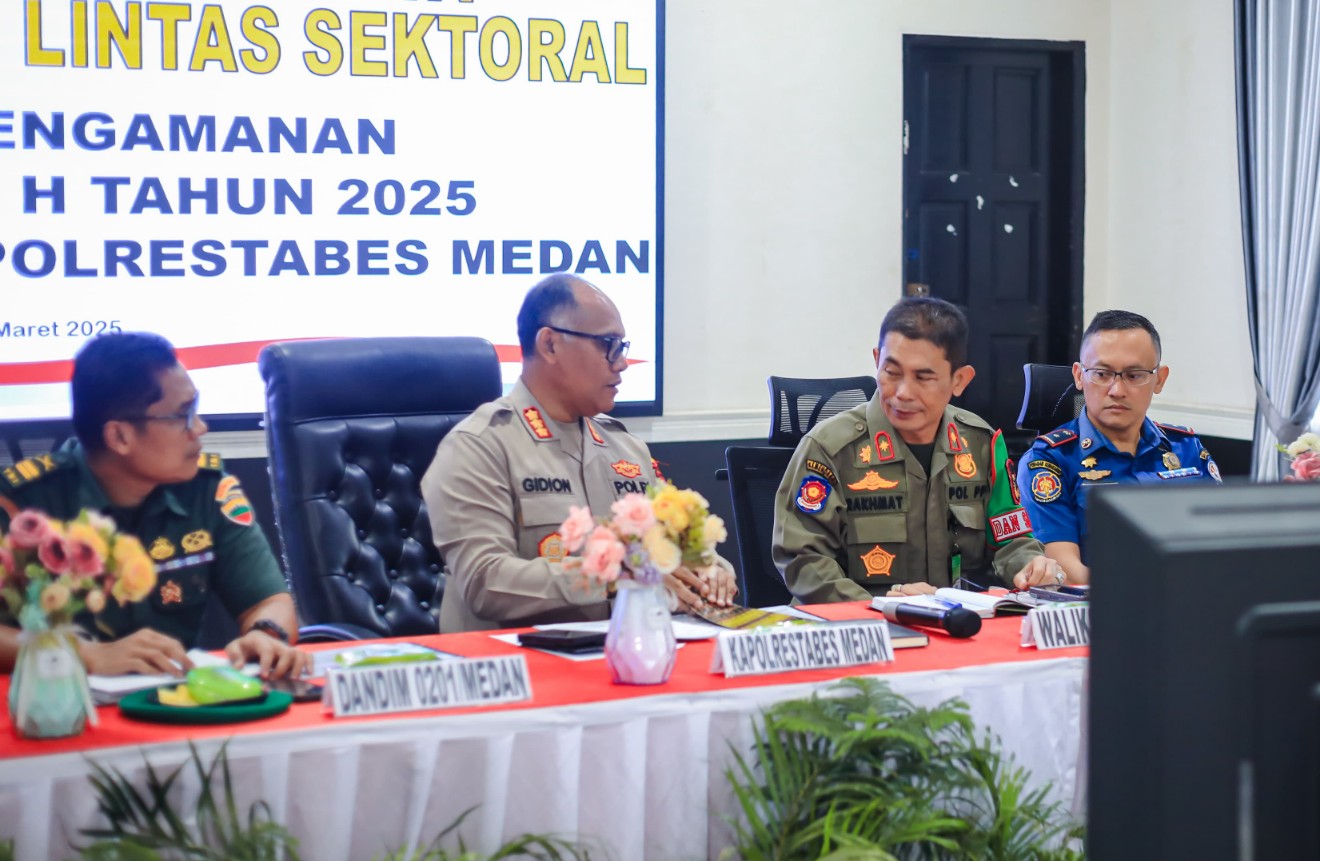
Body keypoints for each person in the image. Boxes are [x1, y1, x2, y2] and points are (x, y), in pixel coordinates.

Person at [421, 273, 737, 632]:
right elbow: (486, 581)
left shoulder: (627, 449)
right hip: (518, 669)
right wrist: (611, 575)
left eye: (623, 347)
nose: (621, 363)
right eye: (608, 345)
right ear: (550, 344)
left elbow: (680, 549)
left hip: (624, 657)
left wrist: (712, 571)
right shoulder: (480, 445)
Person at [0, 333, 310, 679]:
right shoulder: (21, 506)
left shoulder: (207, 491)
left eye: (195, 408)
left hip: (173, 705)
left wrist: (264, 635)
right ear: (119, 437)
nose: (200, 428)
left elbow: (268, 601)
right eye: (182, 415)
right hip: (52, 708)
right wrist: (85, 655)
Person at [772, 296, 1064, 603]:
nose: (903, 393)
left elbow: (1011, 539)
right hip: (860, 629)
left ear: (959, 380)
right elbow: (804, 560)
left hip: (957, 626)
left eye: (923, 378)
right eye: (891, 372)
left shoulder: (980, 443)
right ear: (876, 360)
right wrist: (883, 607)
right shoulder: (830, 447)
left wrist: (1032, 566)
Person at [1016, 310, 1221, 584]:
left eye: (1134, 376)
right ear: (1079, 376)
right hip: (1102, 615)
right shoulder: (1048, 461)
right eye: (1101, 373)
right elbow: (1065, 569)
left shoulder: (1187, 449)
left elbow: (1219, 544)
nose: (1116, 390)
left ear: (1159, 379)